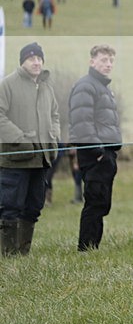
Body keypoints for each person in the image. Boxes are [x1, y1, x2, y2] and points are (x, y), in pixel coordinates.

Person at [0, 43, 60, 257]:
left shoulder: (46, 87)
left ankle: (23, 252)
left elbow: (54, 115)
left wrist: (53, 138)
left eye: (39, 58)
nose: (36, 62)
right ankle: (8, 255)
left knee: (33, 207)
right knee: (10, 207)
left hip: (41, 160)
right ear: (22, 62)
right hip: (15, 160)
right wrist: (21, 140)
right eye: (31, 58)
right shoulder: (7, 84)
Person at [69, 44, 122, 251]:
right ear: (92, 62)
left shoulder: (103, 88)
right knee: (94, 202)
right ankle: (86, 248)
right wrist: (97, 152)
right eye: (103, 60)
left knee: (101, 203)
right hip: (95, 156)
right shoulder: (86, 86)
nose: (108, 64)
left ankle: (93, 246)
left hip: (107, 154)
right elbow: (82, 122)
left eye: (110, 61)